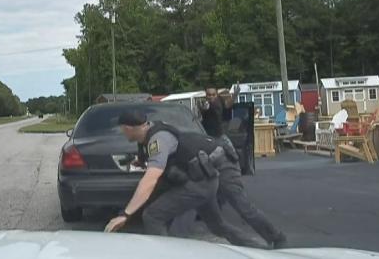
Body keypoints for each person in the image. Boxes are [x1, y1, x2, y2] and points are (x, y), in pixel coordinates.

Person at [104, 111, 261, 247]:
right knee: (217, 225)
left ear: (128, 128)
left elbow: (151, 179)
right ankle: (258, 249)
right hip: (204, 180)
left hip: (197, 184)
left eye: (123, 130)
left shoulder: (158, 140)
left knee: (152, 215)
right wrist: (140, 160)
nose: (123, 134)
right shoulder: (149, 132)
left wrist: (125, 214)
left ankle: (165, 253)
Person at [199, 86, 288, 249]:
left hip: (223, 157)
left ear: (216, 96)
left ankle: (276, 236)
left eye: (213, 95)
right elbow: (222, 105)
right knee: (207, 205)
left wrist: (232, 95)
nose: (210, 97)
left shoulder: (215, 105)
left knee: (241, 205)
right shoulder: (212, 106)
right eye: (208, 95)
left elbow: (219, 104)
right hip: (213, 154)